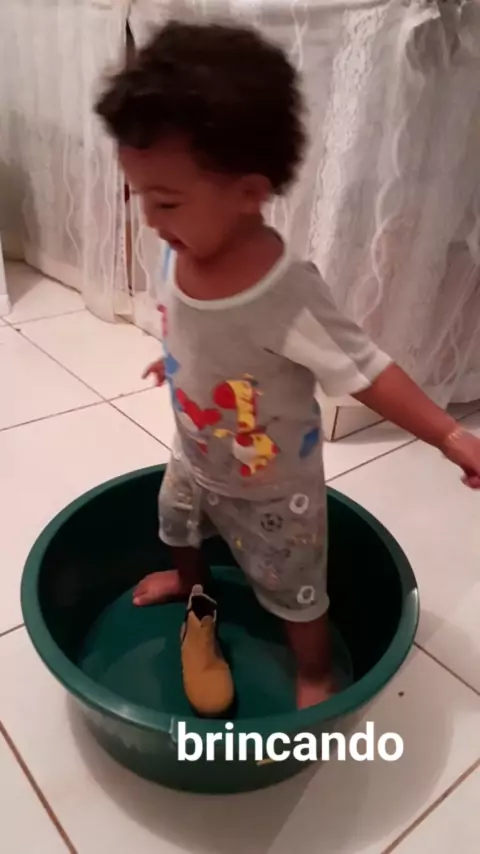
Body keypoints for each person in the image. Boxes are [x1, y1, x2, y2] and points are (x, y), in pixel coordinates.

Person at [95, 19, 480, 711]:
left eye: (167, 200)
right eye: (140, 196)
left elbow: (367, 369)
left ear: (249, 191)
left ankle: (314, 670)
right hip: (195, 451)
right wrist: (174, 358)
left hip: (273, 488)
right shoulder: (182, 246)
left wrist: (449, 434)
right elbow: (194, 324)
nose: (150, 219)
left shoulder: (284, 291)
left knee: (294, 587)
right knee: (175, 524)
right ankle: (192, 587)